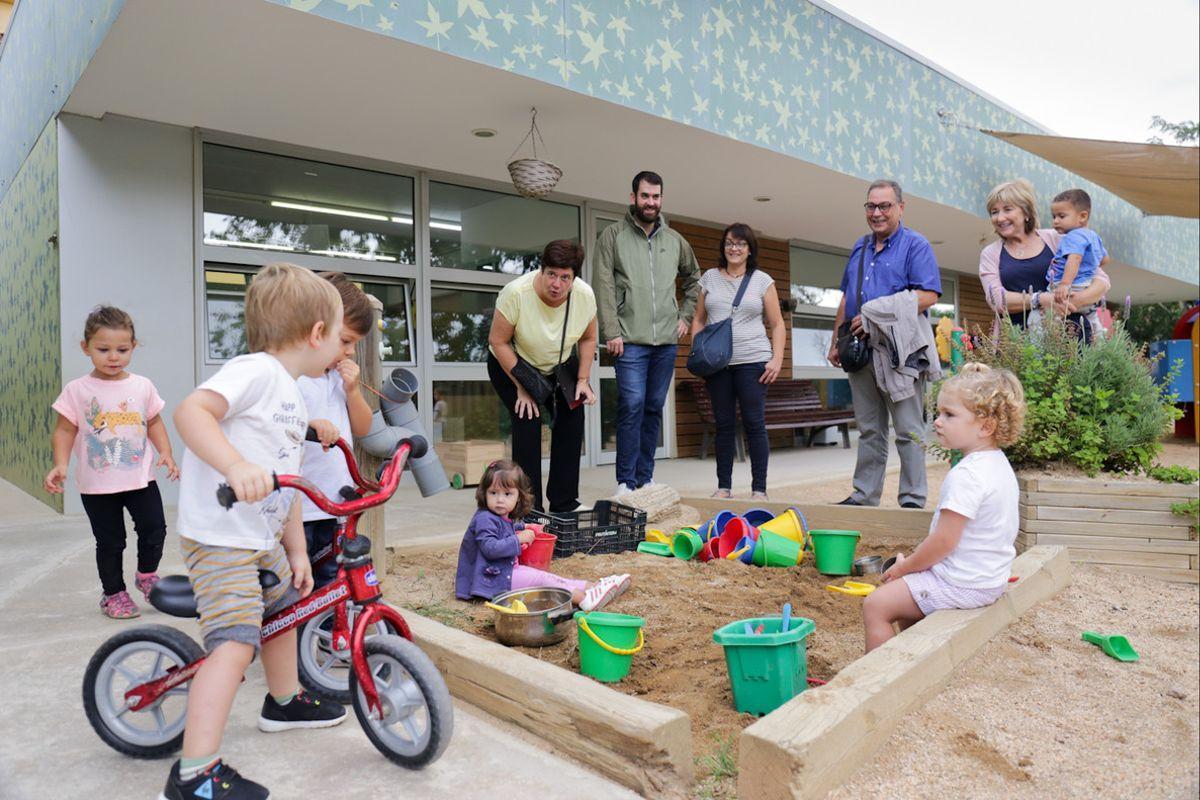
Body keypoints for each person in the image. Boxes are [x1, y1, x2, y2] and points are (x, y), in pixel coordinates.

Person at [163, 263, 347, 800]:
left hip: (258, 539)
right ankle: (193, 775)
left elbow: (284, 483)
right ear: (317, 334)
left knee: (284, 609)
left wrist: (297, 551)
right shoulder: (255, 371)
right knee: (235, 644)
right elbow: (191, 411)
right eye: (338, 336)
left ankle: (284, 701)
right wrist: (233, 465)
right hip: (221, 540)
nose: (341, 347)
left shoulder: (290, 395)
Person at [862, 363, 1025, 652]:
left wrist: (905, 568)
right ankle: (916, 656)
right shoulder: (999, 464)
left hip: (962, 585)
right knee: (912, 592)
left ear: (986, 426)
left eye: (949, 415)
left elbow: (944, 542)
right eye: (938, 413)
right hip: (988, 578)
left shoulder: (967, 475)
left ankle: (878, 676)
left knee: (876, 604)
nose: (937, 421)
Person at [44, 306, 179, 619]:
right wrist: (61, 465)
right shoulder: (77, 390)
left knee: (154, 528)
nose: (113, 356)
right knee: (110, 541)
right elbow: (64, 431)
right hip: (98, 484)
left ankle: (146, 575)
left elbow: (155, 421)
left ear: (133, 346)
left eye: (122, 349)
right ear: (86, 347)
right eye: (103, 349)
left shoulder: (142, 386)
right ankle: (113, 593)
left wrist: (166, 453)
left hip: (140, 479)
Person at [828, 180, 941, 509]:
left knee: (908, 430)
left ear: (901, 208)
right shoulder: (859, 248)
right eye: (871, 206)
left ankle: (912, 500)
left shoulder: (916, 245)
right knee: (869, 430)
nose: (877, 213)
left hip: (899, 351)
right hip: (860, 350)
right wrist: (838, 338)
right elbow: (847, 296)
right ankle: (864, 496)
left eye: (884, 206)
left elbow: (928, 295)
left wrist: (878, 314)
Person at [592, 171, 701, 496]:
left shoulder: (675, 241)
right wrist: (610, 330)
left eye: (655, 197)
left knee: (653, 406)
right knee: (632, 404)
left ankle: (645, 477)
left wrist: (684, 316)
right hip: (628, 340)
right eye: (645, 196)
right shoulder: (613, 236)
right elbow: (604, 285)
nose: (650, 202)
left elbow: (694, 279)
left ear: (661, 199)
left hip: (666, 341)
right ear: (633, 198)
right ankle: (625, 482)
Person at [487, 240, 598, 513]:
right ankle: (528, 507)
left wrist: (582, 380)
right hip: (513, 361)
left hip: (558, 364)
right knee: (528, 419)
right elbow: (498, 341)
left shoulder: (584, 295)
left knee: (572, 418)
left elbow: (588, 337)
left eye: (565, 277)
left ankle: (564, 501)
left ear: (574, 278)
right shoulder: (516, 293)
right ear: (541, 270)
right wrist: (523, 388)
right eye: (551, 274)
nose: (556, 284)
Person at [690, 223, 786, 500]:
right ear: (723, 246)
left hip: (753, 360)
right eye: (730, 243)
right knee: (724, 424)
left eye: (741, 244)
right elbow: (698, 318)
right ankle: (724, 487)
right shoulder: (709, 278)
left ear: (749, 249)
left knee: (754, 423)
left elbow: (778, 324)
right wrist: (698, 352)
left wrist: (777, 359)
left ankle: (759, 489)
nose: (734, 248)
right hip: (717, 365)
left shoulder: (762, 281)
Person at [455, 460, 631, 611]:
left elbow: (504, 528)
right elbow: (490, 548)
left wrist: (524, 526)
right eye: (493, 493)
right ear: (484, 494)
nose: (500, 499)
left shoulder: (498, 516)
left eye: (507, 494)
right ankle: (584, 599)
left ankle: (595, 587)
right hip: (495, 579)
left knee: (550, 578)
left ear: (518, 497)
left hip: (505, 571)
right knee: (542, 580)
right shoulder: (485, 518)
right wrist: (519, 538)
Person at [299, 272, 375, 589]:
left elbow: (363, 427)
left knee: (331, 578)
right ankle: (295, 636)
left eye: (354, 344)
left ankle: (326, 635)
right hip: (299, 507)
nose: (350, 352)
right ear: (316, 330)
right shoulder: (296, 377)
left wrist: (354, 391)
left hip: (333, 502)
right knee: (297, 581)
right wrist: (310, 426)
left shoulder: (335, 379)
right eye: (345, 341)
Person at [978, 179, 1110, 340]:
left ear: (1026, 212)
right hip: (1015, 345)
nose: (1000, 218)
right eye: (994, 212)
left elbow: (1101, 280)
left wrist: (1073, 301)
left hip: (1069, 340)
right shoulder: (990, 253)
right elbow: (996, 300)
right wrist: (1040, 299)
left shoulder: (1058, 239)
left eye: (1007, 209)